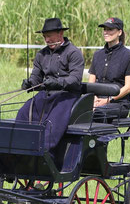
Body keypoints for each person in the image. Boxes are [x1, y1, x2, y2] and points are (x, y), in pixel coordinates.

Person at [17, 17, 85, 154]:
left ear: (60, 34)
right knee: (23, 113)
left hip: (68, 96)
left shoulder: (74, 53)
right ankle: (20, 146)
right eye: (44, 37)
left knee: (51, 123)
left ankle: (43, 151)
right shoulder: (42, 54)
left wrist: (58, 83)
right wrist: (30, 83)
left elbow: (76, 79)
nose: (47, 40)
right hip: (46, 95)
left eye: (49, 36)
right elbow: (36, 78)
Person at [88, 17, 130, 120]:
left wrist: (107, 100)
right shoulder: (98, 55)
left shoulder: (128, 56)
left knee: (97, 113)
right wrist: (94, 99)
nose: (106, 32)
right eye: (105, 29)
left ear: (119, 32)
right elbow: (91, 84)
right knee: (73, 110)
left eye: (110, 29)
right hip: (97, 101)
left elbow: (128, 87)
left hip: (118, 103)